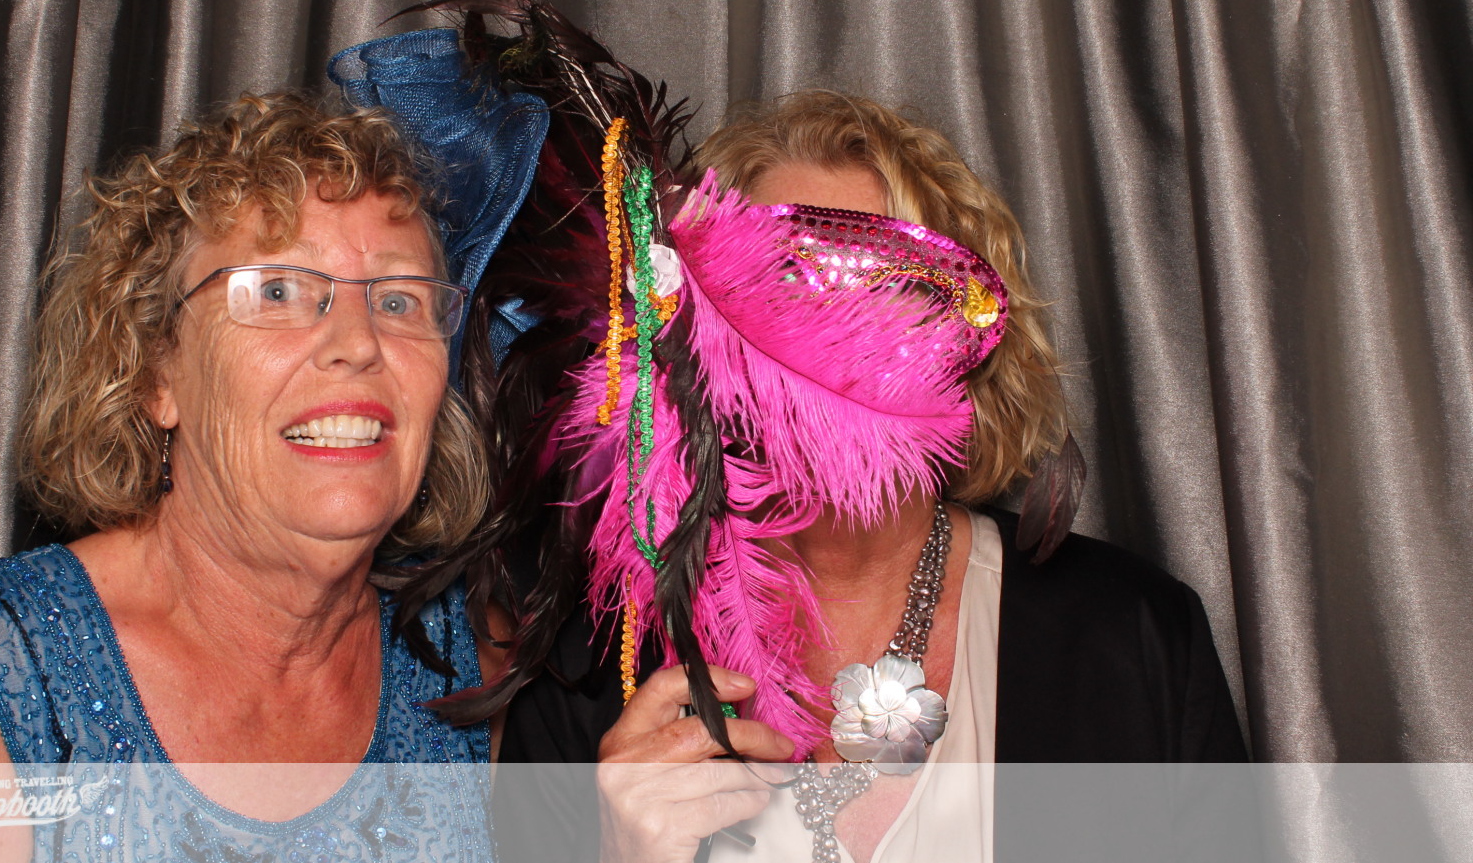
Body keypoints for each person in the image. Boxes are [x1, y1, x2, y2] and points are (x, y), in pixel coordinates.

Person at [488, 91, 1249, 863]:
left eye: (878, 290)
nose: (824, 339)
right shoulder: (590, 667)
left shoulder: (1137, 640)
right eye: (779, 285)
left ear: (963, 346)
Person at [0, 92, 498, 862]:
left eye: (399, 299)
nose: (358, 342)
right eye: (278, 291)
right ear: (156, 372)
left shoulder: (481, 678)